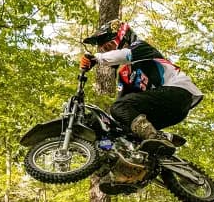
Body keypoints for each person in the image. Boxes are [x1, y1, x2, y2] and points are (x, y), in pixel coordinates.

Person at [79, 20, 203, 183]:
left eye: (108, 46)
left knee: (120, 108)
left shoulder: (140, 47)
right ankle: (137, 169)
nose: (106, 51)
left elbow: (125, 55)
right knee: (124, 128)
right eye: (103, 49)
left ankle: (155, 137)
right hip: (167, 109)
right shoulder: (124, 74)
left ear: (123, 37)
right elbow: (121, 110)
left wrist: (97, 58)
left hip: (179, 93)